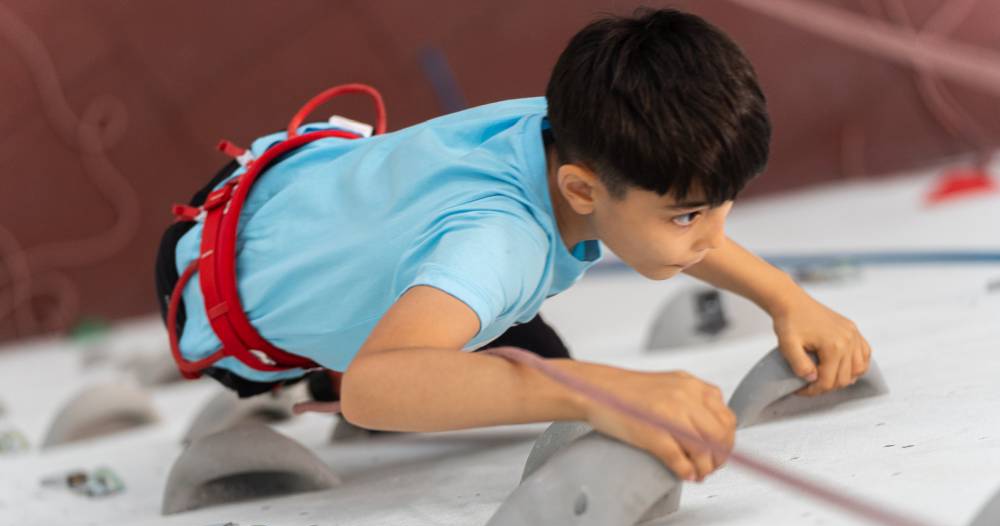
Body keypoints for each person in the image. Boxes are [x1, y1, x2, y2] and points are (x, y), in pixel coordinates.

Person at [156, 8, 871, 483]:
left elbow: (674, 227)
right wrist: (603, 390)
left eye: (722, 208)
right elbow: (376, 388)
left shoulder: (575, 124)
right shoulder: (497, 244)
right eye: (688, 217)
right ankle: (321, 376)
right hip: (216, 287)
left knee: (541, 364)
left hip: (285, 191)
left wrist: (786, 299)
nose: (712, 236)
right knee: (550, 375)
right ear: (581, 189)